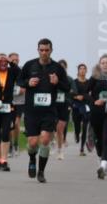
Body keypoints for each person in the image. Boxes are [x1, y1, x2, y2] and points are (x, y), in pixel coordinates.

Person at [18, 39, 70, 184]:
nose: (44, 53)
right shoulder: (29, 65)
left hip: (49, 111)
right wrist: (28, 83)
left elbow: (66, 87)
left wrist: (57, 82)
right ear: (38, 50)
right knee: (33, 143)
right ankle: (32, 159)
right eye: (41, 50)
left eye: (47, 50)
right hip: (31, 111)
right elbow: (19, 81)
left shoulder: (57, 68)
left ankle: (41, 172)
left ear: (51, 50)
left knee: (45, 140)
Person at [70, 63, 91, 156]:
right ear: (78, 71)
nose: (82, 70)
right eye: (80, 69)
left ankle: (82, 149)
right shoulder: (74, 82)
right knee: (77, 125)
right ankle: (76, 133)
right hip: (76, 106)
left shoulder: (89, 82)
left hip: (86, 105)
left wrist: (84, 96)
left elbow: (91, 94)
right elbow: (70, 94)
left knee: (85, 127)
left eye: (84, 69)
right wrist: (76, 96)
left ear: (86, 71)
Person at [8, 52, 25, 157]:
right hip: (9, 101)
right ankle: (9, 146)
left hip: (20, 102)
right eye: (13, 60)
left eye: (16, 60)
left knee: (16, 123)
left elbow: (28, 83)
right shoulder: (7, 71)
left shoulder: (22, 71)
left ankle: (16, 144)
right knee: (9, 125)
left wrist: (24, 89)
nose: (15, 61)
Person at [54, 59, 71, 160]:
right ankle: (51, 143)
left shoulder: (69, 79)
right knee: (51, 128)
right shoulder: (52, 78)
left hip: (64, 105)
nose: (61, 69)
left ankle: (60, 151)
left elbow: (73, 91)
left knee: (60, 129)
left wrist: (69, 100)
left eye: (63, 67)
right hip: (53, 105)